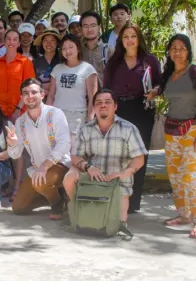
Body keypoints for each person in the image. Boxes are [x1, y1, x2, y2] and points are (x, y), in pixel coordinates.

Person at [147, 34, 196, 239]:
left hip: (194, 130)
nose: (177, 52)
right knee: (175, 176)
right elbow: (163, 90)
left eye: (181, 48)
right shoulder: (169, 74)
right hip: (172, 131)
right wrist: (153, 93)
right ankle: (183, 215)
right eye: (173, 48)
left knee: (192, 177)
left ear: (188, 50)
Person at [63, 89, 147, 231]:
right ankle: (79, 209)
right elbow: (75, 156)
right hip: (92, 178)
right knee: (70, 176)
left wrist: (124, 173)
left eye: (107, 102)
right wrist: (88, 167)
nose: (103, 105)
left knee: (116, 226)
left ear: (115, 106)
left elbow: (139, 159)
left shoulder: (129, 129)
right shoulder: (85, 129)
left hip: (116, 182)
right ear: (94, 107)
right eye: (99, 103)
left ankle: (93, 214)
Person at [103, 22, 160, 213]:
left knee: (139, 155)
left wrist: (154, 91)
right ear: (121, 40)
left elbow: (160, 84)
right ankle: (118, 197)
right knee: (119, 155)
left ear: (139, 38)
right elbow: (107, 88)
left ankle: (133, 202)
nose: (129, 40)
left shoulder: (149, 60)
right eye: (126, 36)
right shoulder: (114, 62)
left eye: (133, 36)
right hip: (119, 110)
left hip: (142, 109)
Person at [7, 79, 71, 220]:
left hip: (59, 165)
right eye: (26, 93)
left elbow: (65, 143)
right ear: (22, 98)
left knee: (42, 181)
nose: (30, 96)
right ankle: (57, 195)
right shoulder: (20, 122)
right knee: (18, 208)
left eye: (34, 92)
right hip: (38, 170)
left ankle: (57, 203)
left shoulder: (55, 113)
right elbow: (15, 154)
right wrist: (12, 144)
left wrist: (45, 166)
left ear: (42, 95)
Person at [47, 34, 98, 140]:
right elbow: (51, 95)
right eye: (64, 48)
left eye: (71, 47)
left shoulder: (87, 69)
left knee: (74, 153)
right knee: (57, 150)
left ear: (78, 48)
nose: (67, 51)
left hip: (77, 117)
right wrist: (46, 115)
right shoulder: (57, 68)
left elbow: (93, 97)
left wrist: (90, 119)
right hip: (57, 115)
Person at [0, 29, 35, 121]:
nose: (11, 42)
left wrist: (18, 109)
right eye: (8, 39)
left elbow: (29, 88)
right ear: (4, 42)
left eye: (15, 39)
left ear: (19, 43)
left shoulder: (25, 62)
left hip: (19, 112)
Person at [80, 11, 111, 87]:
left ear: (99, 27)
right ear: (81, 29)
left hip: (103, 96)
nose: (89, 29)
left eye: (93, 25)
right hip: (82, 96)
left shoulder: (109, 50)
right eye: (85, 26)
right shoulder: (77, 51)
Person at [33, 28, 61, 92]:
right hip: (40, 100)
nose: (49, 43)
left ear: (57, 43)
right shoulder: (35, 62)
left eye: (52, 40)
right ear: (42, 43)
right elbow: (32, 84)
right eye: (45, 40)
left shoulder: (63, 62)